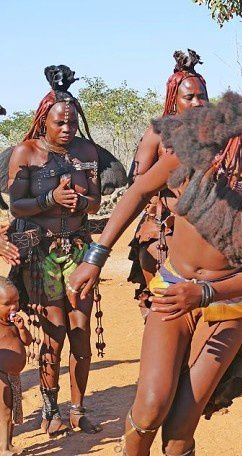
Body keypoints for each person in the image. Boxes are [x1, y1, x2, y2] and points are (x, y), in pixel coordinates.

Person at [69, 87, 242, 455]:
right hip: (173, 292)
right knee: (150, 409)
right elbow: (139, 191)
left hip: (227, 305)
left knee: (181, 425)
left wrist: (204, 293)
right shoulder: (195, 157)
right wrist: (95, 257)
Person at [7, 65, 103, 437]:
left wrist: (81, 202)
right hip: (41, 255)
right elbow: (17, 206)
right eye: (60, 122)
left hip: (78, 251)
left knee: (81, 332)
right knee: (55, 331)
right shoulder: (26, 152)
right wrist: (50, 198)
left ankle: (78, 409)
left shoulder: (87, 151)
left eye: (72, 123)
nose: (67, 129)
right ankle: (51, 409)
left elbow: (95, 202)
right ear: (43, 120)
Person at [127, 49, 208, 319]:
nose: (197, 103)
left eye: (202, 96)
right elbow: (138, 181)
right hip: (166, 226)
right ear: (175, 99)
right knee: (165, 307)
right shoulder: (157, 133)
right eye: (189, 97)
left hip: (211, 225)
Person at [0, 277, 32, 456]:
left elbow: (27, 341)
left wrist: (21, 329)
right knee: (4, 412)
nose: (13, 307)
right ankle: (3, 448)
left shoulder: (14, 323)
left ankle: (9, 444)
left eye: (16, 301)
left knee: (11, 411)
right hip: (1, 376)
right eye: (7, 304)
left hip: (14, 376)